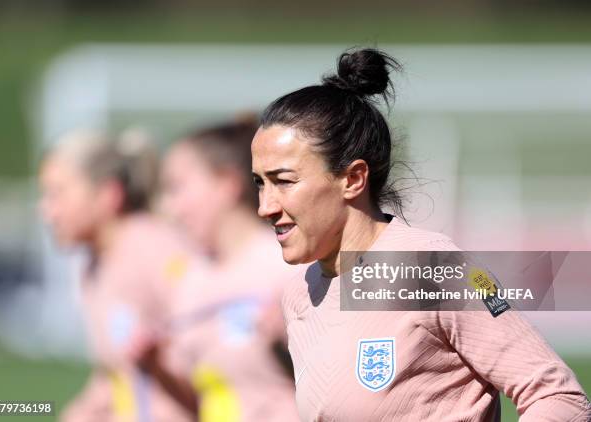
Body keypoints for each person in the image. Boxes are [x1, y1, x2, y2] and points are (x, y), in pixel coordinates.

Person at [250, 48, 591, 421]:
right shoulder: (300, 292)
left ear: (353, 179)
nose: (265, 206)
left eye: (283, 182)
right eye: (259, 184)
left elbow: (559, 399)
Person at [39, 129, 196, 422]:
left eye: (57, 194)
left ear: (107, 194)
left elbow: (211, 357)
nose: (47, 211)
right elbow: (116, 373)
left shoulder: (156, 249)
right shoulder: (94, 266)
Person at [155, 117, 299, 422]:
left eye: (177, 187)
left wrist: (292, 342)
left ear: (226, 184)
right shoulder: (189, 280)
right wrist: (154, 364)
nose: (170, 207)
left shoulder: (289, 266)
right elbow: (195, 398)